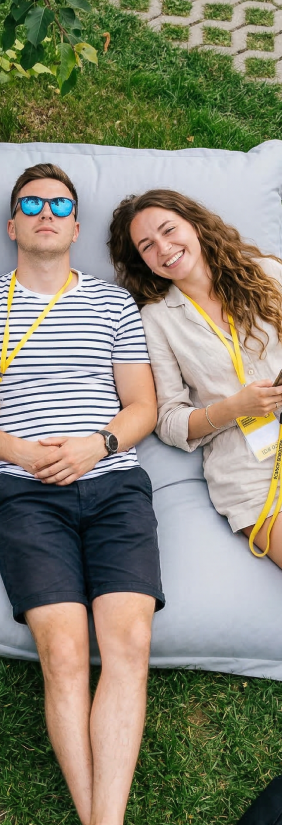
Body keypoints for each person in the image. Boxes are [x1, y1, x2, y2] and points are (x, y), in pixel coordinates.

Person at [0, 162, 164, 825]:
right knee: (63, 652)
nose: (45, 213)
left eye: (59, 206)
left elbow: (143, 406)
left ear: (75, 226)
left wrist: (99, 444)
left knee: (128, 643)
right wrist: (20, 452)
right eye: (31, 204)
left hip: (114, 482)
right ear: (12, 225)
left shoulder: (112, 305)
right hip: (25, 492)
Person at [109, 189, 282, 565]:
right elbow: (168, 421)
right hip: (247, 472)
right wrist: (235, 407)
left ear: (196, 225)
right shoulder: (155, 319)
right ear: (143, 262)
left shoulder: (268, 274)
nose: (164, 248)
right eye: (147, 246)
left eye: (169, 230)